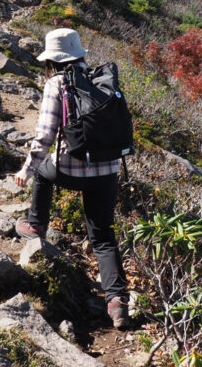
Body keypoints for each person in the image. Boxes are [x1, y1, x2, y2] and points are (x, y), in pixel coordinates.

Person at [13, 28, 130, 328]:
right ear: (78, 55)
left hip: (70, 170)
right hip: (107, 172)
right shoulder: (101, 79)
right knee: (103, 236)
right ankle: (117, 302)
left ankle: (36, 224)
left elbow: (45, 136)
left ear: (51, 60)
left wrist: (26, 169)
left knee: (43, 171)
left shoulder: (56, 83)